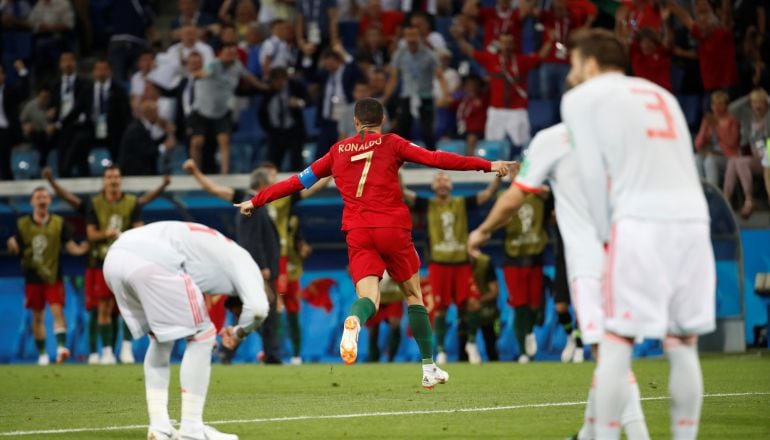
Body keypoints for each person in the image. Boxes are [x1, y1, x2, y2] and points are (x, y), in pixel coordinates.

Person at [235, 97, 513, 388]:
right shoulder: (393, 143)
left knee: (368, 297)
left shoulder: (337, 151)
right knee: (413, 295)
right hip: (392, 228)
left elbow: (296, 182)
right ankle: (428, 367)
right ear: (382, 121)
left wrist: (256, 200)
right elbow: (437, 158)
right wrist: (488, 165)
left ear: (355, 122)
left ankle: (354, 320)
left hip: (358, 231)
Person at [561, 29, 714, 439]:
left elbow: (592, 172)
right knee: (683, 344)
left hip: (639, 220)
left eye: (575, 65)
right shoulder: (659, 93)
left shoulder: (581, 99)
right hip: (694, 221)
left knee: (616, 342)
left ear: (591, 63)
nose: (572, 75)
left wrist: (603, 232)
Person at [467, 121, 649, 439]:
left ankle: (637, 434)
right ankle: (588, 433)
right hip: (625, 252)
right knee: (612, 351)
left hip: (590, 262)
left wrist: (482, 231)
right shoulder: (619, 132)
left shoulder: (554, 139)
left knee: (608, 357)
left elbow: (514, 198)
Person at [103, 221, 269, 440]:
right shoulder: (246, 263)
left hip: (115, 258)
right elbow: (258, 309)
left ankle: (159, 427)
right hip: (154, 262)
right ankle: (192, 429)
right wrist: (239, 333)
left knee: (161, 340)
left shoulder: (217, 251)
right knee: (203, 336)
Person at [183, 159, 328, 363]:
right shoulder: (247, 201)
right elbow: (216, 191)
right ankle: (257, 352)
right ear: (262, 182)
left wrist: (331, 170)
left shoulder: (284, 198)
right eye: (270, 177)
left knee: (262, 308)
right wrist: (196, 172)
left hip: (274, 262)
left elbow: (311, 188)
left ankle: (259, 352)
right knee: (263, 307)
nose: (274, 181)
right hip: (262, 264)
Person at [43, 166, 169, 364]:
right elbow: (90, 231)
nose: (113, 180)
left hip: (127, 263)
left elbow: (140, 225)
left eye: (116, 177)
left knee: (128, 307)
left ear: (121, 180)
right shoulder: (94, 204)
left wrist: (162, 186)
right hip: (99, 263)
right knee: (100, 307)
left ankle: (126, 349)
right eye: (109, 177)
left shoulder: (131, 202)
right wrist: (107, 234)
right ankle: (104, 352)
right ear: (104, 180)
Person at [402, 172, 502, 365]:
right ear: (432, 187)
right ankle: (440, 352)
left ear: (451, 185)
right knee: (440, 309)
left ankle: (471, 344)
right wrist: (398, 173)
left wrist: (498, 177)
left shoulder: (462, 203)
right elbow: (403, 193)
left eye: (446, 179)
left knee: (472, 303)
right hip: (439, 265)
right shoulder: (428, 205)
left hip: (461, 263)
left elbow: (489, 193)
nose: (442, 182)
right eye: (438, 179)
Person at [7, 187, 88, 365]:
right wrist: (12, 245)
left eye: (45, 196)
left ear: (50, 201)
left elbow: (70, 246)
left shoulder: (59, 222)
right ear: (32, 202)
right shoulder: (22, 224)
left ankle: (60, 349)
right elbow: (15, 247)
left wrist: (82, 249)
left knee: (58, 311)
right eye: (38, 197)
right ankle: (43, 354)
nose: (42, 200)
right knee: (37, 316)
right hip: (32, 276)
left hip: (54, 275)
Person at [187, 44, 262, 174]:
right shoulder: (214, 64)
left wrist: (264, 86)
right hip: (202, 110)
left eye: (232, 54)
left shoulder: (237, 65)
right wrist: (197, 74)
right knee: (197, 142)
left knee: (224, 140)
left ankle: (224, 174)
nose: (229, 56)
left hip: (222, 111)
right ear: (221, 54)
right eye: (227, 53)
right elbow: (205, 73)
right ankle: (194, 173)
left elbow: (248, 77)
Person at [385, 25, 440, 151]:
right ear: (404, 38)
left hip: (425, 96)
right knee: (401, 129)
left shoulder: (429, 55)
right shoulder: (399, 54)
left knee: (427, 131)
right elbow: (393, 78)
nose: (411, 39)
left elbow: (440, 76)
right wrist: (385, 97)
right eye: (408, 36)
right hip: (407, 96)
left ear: (420, 37)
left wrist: (445, 94)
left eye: (414, 35)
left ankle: (433, 160)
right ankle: (398, 161)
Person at [258, 67, 309, 171]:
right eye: (276, 80)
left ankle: (299, 185)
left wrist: (299, 102)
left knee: (296, 162)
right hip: (275, 132)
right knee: (273, 162)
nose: (280, 83)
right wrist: (269, 129)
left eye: (282, 79)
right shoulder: (267, 92)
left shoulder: (294, 87)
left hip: (293, 131)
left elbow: (309, 99)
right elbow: (262, 114)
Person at [729, 88, 770, 208]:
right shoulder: (747, 115)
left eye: (760, 102)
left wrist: (767, 98)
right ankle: (748, 199)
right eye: (754, 102)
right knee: (736, 162)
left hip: (768, 152)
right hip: (757, 158)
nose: (757, 105)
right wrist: (747, 98)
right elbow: (731, 109)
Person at [119, 99, 177, 176]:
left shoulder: (142, 127)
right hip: (134, 174)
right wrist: (164, 147)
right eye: (156, 113)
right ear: (150, 114)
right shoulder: (135, 130)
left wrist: (166, 135)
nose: (158, 116)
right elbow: (144, 153)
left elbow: (150, 144)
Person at [0, 60, 30, 180]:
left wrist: (22, 71)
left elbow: (24, 91)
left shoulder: (10, 91)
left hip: (5, 132)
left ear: (4, 75)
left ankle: (7, 193)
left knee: (4, 164)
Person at [366, 271, 404, 363]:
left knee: (395, 324)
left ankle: (391, 357)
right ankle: (374, 357)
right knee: (373, 328)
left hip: (394, 295)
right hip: (375, 295)